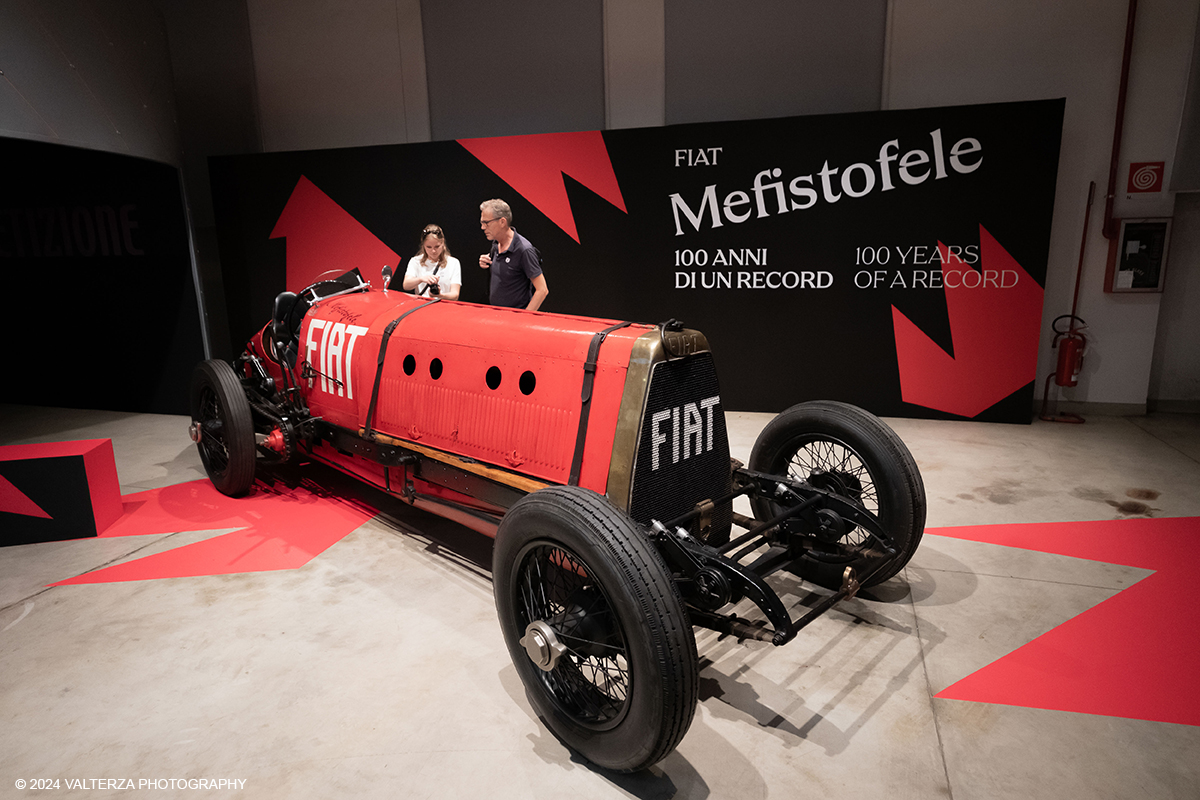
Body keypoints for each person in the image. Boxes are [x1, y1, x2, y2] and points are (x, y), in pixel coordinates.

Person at [478, 199, 548, 311]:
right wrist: (485, 261)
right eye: (482, 223)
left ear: (502, 222)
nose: (483, 227)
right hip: (496, 315)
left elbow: (542, 290)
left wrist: (523, 318)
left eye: (486, 223)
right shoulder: (496, 243)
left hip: (514, 320)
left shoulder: (524, 250)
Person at [403, 224, 461, 301]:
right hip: (421, 306)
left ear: (443, 243)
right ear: (423, 245)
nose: (433, 251)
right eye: (429, 247)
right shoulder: (415, 261)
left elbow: (455, 295)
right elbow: (406, 285)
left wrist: (440, 295)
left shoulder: (453, 263)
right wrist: (421, 279)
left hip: (445, 307)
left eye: (437, 247)